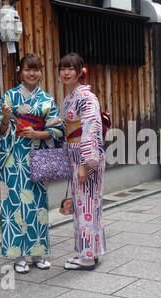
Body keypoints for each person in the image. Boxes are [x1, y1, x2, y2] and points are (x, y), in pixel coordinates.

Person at [0, 53, 64, 274]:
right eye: (27, 69)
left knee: (37, 206)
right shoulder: (8, 98)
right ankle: (18, 255)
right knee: (13, 206)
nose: (32, 73)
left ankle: (38, 253)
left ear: (40, 72)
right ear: (20, 73)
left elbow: (58, 129)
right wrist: (4, 119)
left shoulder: (47, 100)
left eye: (36, 69)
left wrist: (38, 133)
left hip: (37, 158)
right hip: (13, 159)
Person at [58, 53, 106, 270]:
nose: (66, 72)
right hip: (76, 154)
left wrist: (86, 164)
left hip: (86, 156)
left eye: (71, 68)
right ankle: (89, 252)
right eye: (63, 68)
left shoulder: (87, 98)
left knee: (87, 206)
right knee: (82, 207)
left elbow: (90, 129)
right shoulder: (71, 97)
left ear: (80, 72)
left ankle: (87, 257)